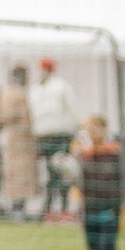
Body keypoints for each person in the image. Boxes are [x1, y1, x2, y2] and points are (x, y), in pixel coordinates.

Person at [77, 115, 125, 250]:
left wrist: (117, 199)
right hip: (89, 208)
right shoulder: (82, 154)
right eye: (88, 128)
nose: (92, 131)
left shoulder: (115, 153)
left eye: (95, 127)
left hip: (110, 208)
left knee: (107, 247)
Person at [31, 58, 79, 217]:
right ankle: (54, 208)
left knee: (57, 172)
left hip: (54, 134)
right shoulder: (42, 88)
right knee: (56, 173)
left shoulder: (42, 88)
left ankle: (55, 208)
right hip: (52, 135)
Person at [0, 68, 39, 217]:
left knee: (21, 174)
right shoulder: (12, 93)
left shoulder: (12, 92)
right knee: (15, 174)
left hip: (21, 140)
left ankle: (19, 207)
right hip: (16, 139)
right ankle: (16, 208)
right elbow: (3, 116)